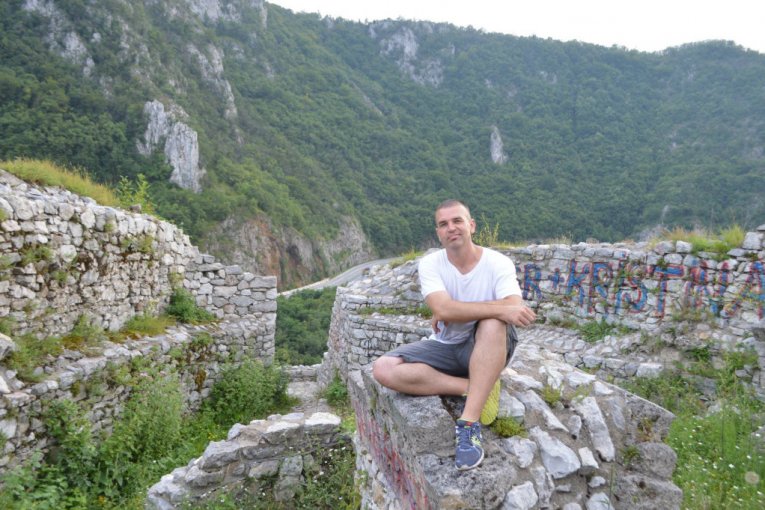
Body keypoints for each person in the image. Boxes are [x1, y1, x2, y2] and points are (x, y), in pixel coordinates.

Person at [372, 199, 536, 470]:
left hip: (486, 345)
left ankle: (469, 424)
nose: (451, 228)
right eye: (443, 224)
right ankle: (474, 387)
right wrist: (449, 310)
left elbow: (513, 308)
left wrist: (456, 310)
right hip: (446, 344)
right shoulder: (431, 264)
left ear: (471, 225)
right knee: (383, 368)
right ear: (438, 233)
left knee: (493, 323)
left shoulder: (497, 263)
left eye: (457, 221)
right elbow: (445, 308)